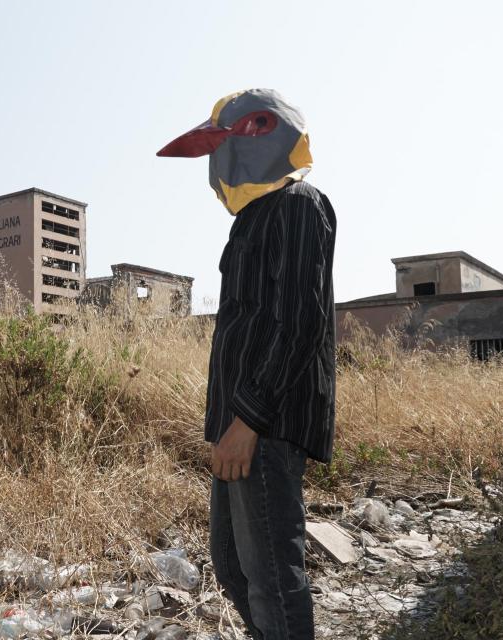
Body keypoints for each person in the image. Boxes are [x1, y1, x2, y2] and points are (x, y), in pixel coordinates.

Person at [157, 89, 337, 640]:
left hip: (266, 424)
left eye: (227, 143)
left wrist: (247, 422)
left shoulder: (299, 205)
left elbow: (297, 323)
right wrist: (225, 426)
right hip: (239, 424)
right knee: (234, 566)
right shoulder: (252, 220)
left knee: (272, 579)